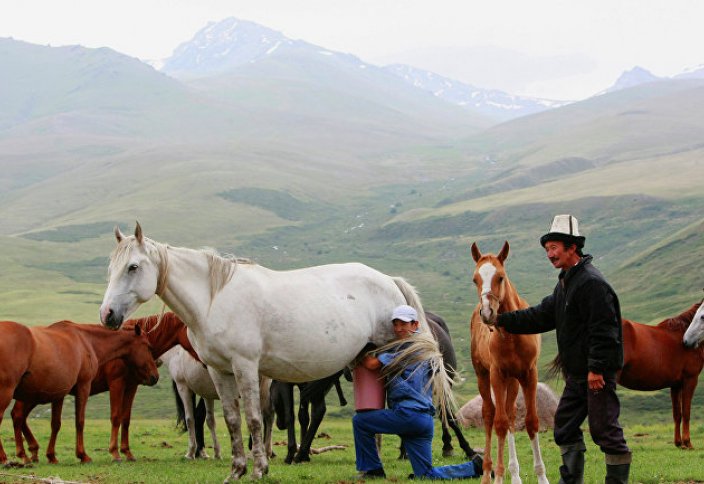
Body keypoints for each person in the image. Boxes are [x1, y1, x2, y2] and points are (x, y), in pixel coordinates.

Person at [493, 214, 631, 484]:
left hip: (595, 375)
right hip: (577, 375)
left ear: (572, 248)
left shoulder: (591, 283)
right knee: (565, 426)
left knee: (605, 432)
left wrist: (597, 369)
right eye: (547, 249)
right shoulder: (567, 282)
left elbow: (605, 330)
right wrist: (502, 320)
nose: (549, 254)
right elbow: (542, 315)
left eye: (554, 247)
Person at [352, 304, 482, 480]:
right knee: (426, 475)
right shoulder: (428, 350)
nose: (398, 329)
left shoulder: (404, 349)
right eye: (396, 324)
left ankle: (373, 469)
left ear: (415, 325)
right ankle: (474, 467)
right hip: (424, 421)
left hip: (408, 415)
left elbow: (371, 365)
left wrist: (355, 347)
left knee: (360, 421)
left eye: (403, 324)